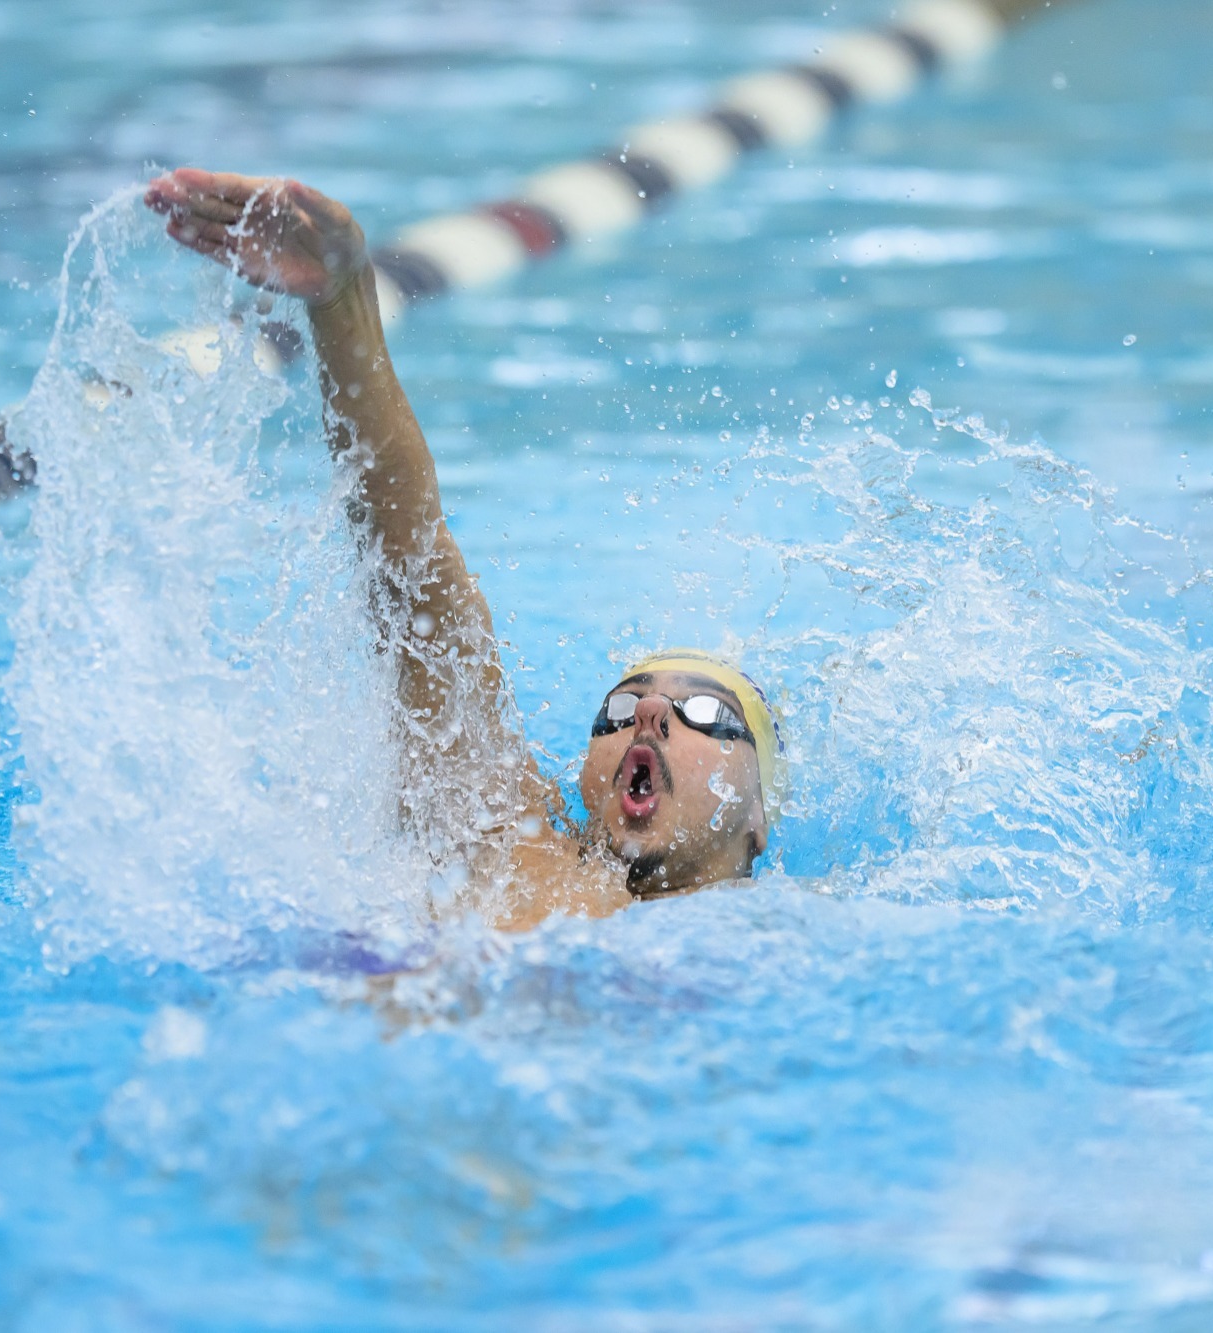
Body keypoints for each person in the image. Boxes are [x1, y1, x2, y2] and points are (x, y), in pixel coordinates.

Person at [143, 169, 783, 930]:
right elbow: (413, 571)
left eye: (705, 712)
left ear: (759, 817)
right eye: (616, 708)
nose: (645, 712)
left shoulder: (798, 936)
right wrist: (342, 302)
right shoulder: (517, 848)